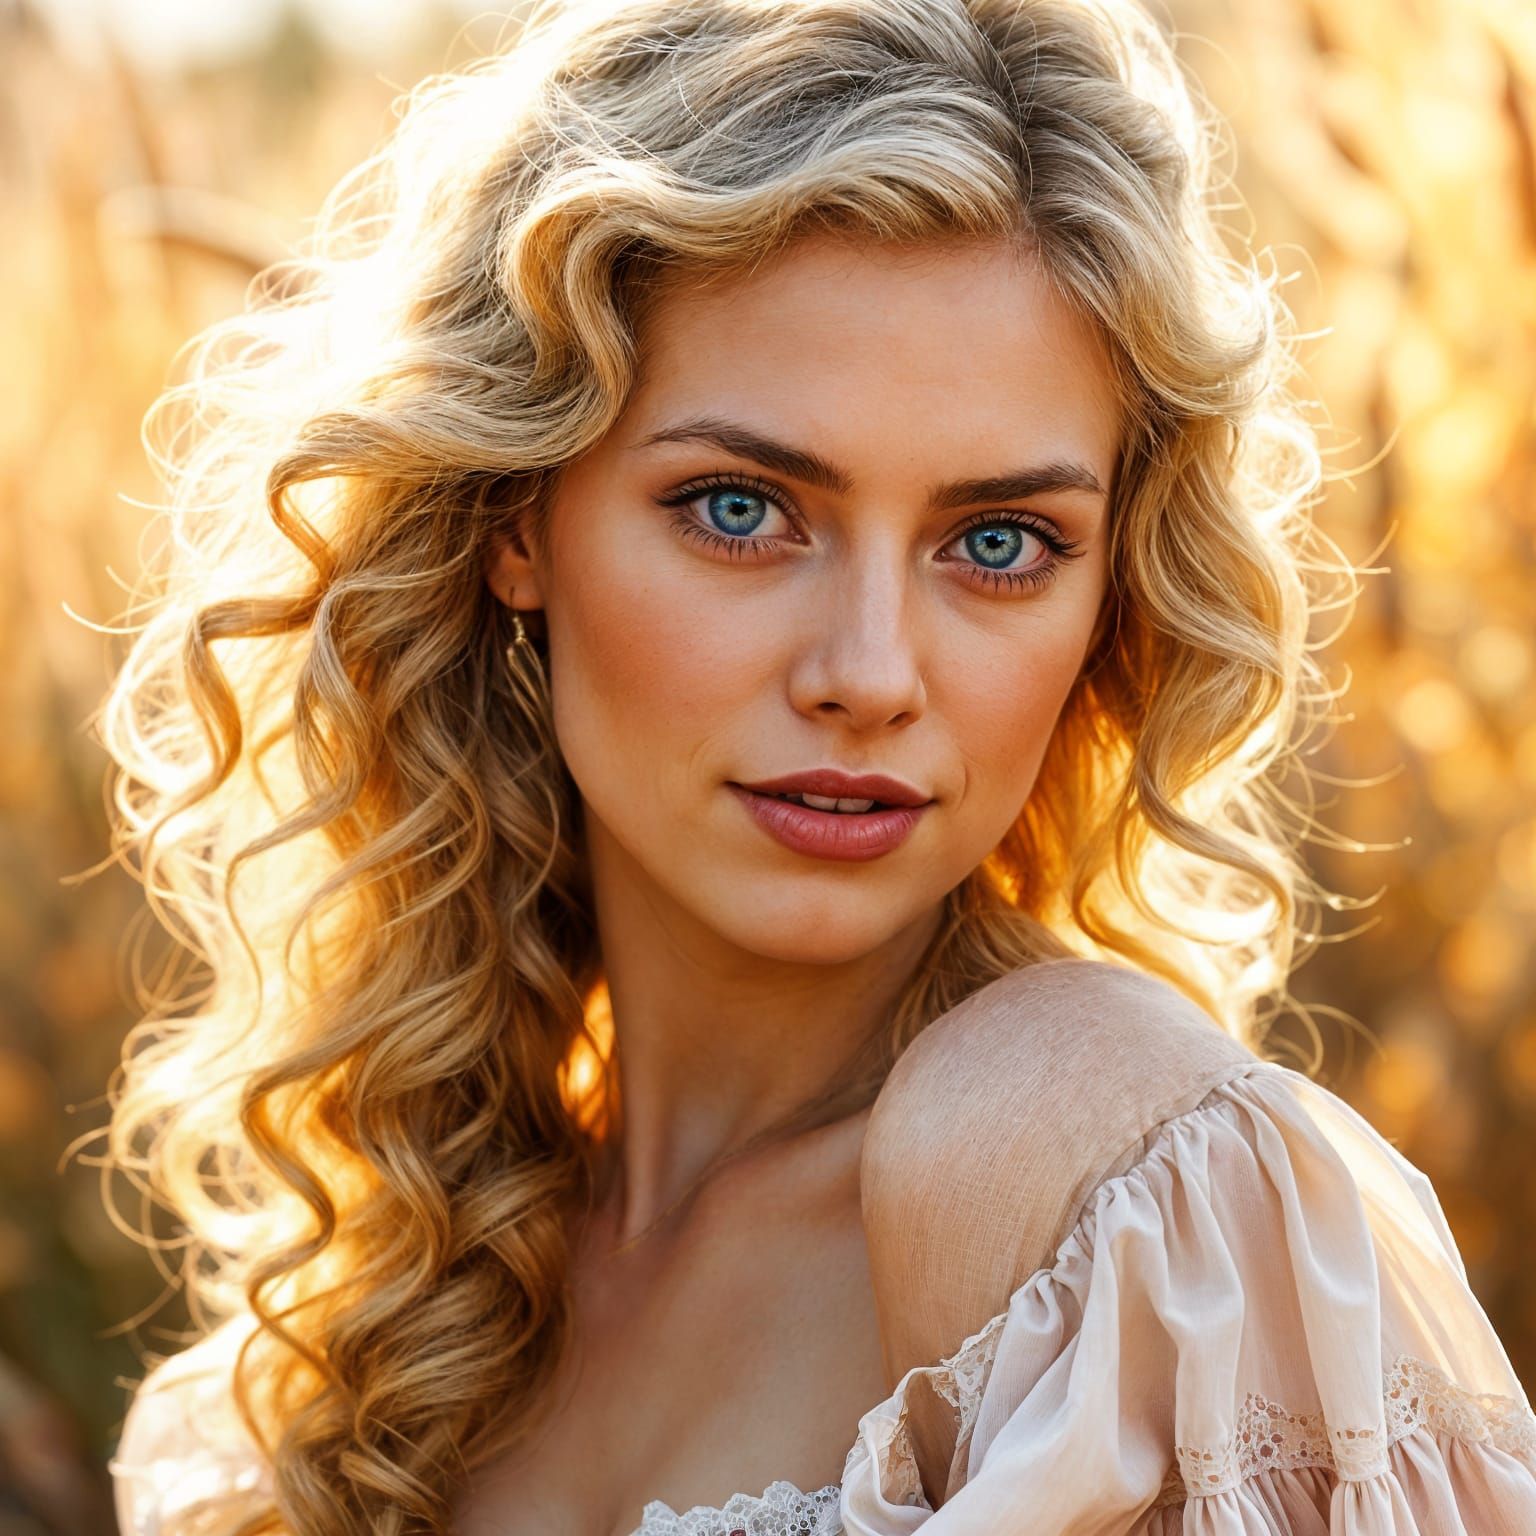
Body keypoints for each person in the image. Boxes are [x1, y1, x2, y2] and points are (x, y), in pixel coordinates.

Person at [98, 0, 1536, 1532]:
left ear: (1111, 592)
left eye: (999, 543)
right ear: (516, 518)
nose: (867, 674)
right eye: (740, 509)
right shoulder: (357, 1313)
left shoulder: (1100, 1188)